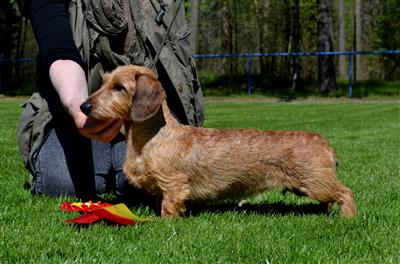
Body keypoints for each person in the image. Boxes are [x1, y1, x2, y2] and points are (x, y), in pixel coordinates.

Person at [17, 0, 204, 201]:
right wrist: (75, 103)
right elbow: (59, 50)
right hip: (73, 106)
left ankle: (113, 162)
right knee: (61, 183)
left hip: (146, 112)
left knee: (150, 179)